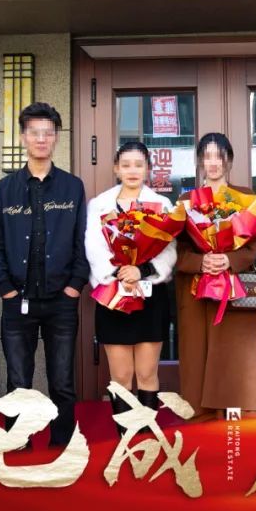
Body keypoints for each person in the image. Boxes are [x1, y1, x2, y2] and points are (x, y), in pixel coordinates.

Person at [0, 102, 89, 447]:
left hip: (62, 301)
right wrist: (5, 289)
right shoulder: (6, 188)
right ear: (23, 137)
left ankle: (63, 444)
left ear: (57, 137)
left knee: (62, 381)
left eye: (48, 132)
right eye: (34, 132)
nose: (41, 139)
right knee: (18, 381)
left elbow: (83, 241)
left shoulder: (72, 187)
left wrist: (75, 286)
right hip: (18, 301)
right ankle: (19, 443)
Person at [84, 141, 177, 432]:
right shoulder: (99, 205)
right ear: (116, 168)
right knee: (121, 375)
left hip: (150, 296)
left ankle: (147, 431)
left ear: (148, 168)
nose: (132, 170)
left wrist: (142, 271)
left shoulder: (161, 205)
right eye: (126, 165)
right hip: (113, 296)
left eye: (138, 164)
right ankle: (124, 433)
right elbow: (93, 247)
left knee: (147, 373)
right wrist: (120, 273)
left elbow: (169, 249)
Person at [175, 133, 256, 420]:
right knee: (197, 353)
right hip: (197, 289)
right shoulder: (186, 200)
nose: (213, 163)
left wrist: (229, 259)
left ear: (229, 160)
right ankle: (198, 417)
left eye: (219, 156)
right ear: (199, 161)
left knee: (233, 355)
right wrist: (201, 262)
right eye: (207, 156)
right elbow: (177, 249)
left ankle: (233, 418)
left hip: (232, 289)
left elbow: (253, 247)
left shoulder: (245, 197)